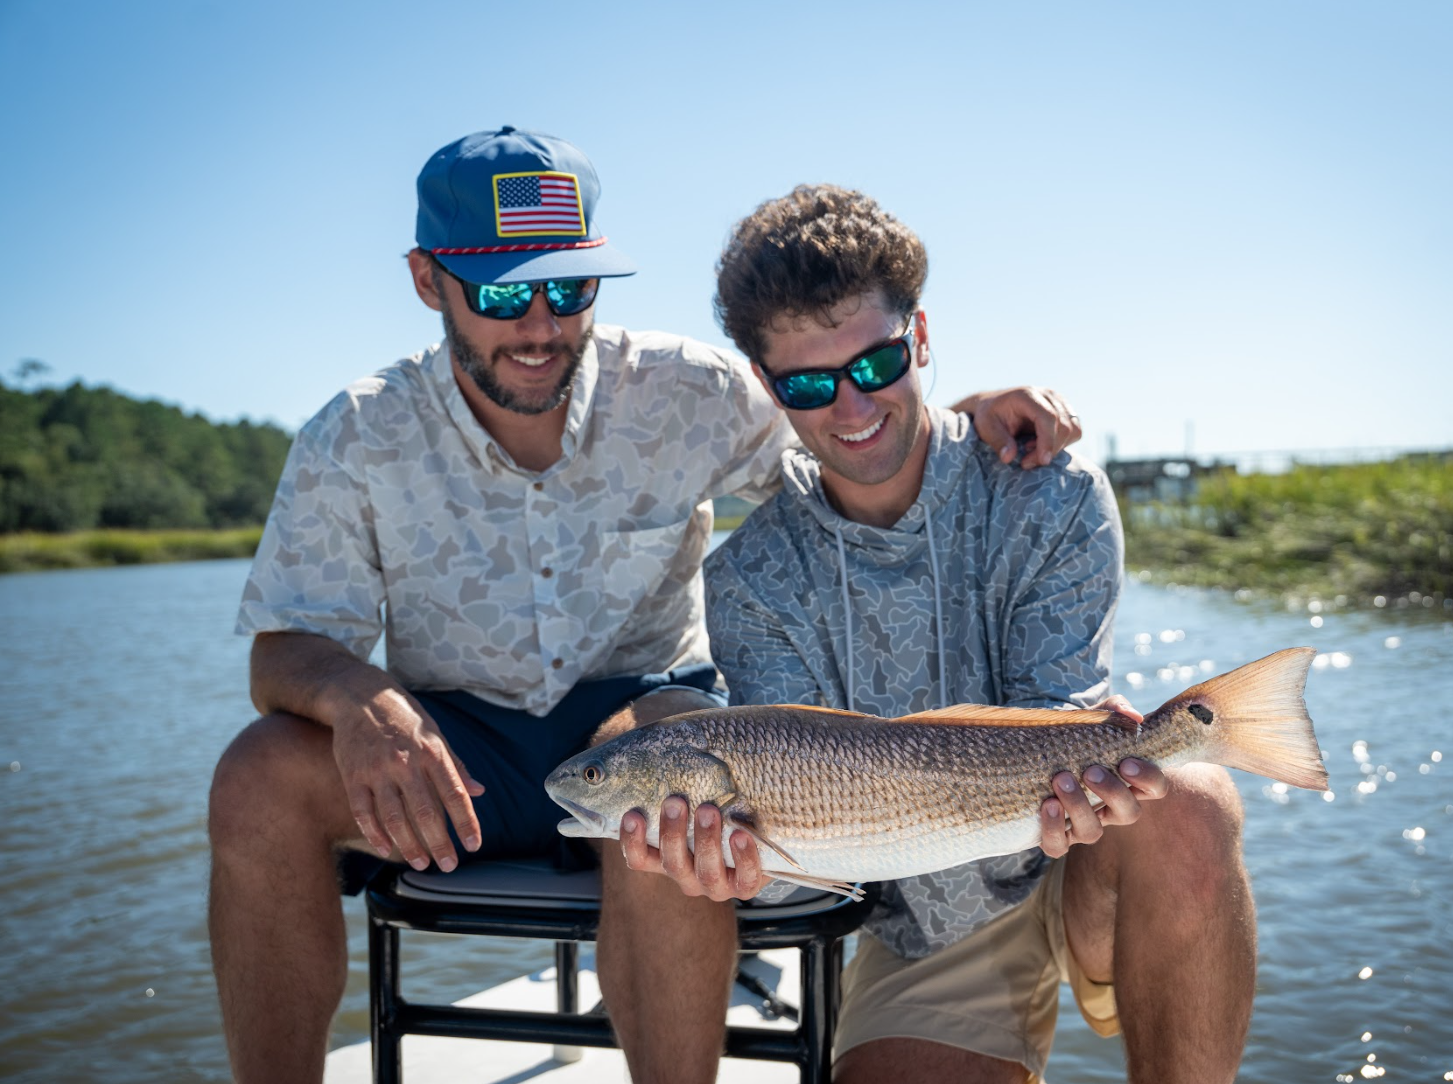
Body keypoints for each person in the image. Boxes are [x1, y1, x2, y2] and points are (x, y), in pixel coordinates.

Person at [206, 127, 1085, 1083]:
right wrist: (352, 698)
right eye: (501, 293)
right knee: (256, 775)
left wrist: (967, 406)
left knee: (672, 785)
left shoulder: (687, 389)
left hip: (651, 704)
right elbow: (281, 650)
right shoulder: (352, 433)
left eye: (568, 287)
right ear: (428, 280)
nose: (540, 325)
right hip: (455, 753)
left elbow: (847, 423)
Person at [622, 184, 1256, 1083]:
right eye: (807, 383)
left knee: (1190, 795)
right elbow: (809, 850)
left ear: (919, 339)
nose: (849, 407)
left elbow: (1056, 717)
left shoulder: (1053, 488)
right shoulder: (749, 576)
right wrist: (738, 868)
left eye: (876, 364)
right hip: (931, 929)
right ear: (768, 387)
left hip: (1080, 862)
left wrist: (1098, 776)